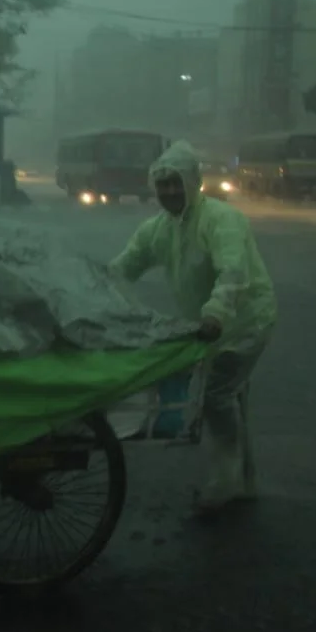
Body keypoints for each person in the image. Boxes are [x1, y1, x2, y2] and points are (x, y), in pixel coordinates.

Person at [109, 140, 278, 516]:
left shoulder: (222, 219)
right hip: (210, 327)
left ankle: (226, 484)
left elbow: (233, 271)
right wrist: (89, 290)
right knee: (231, 398)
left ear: (194, 183)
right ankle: (244, 480)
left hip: (246, 319)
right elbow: (123, 267)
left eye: (176, 183)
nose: (169, 192)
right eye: (162, 184)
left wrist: (216, 313)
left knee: (218, 396)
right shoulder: (157, 229)